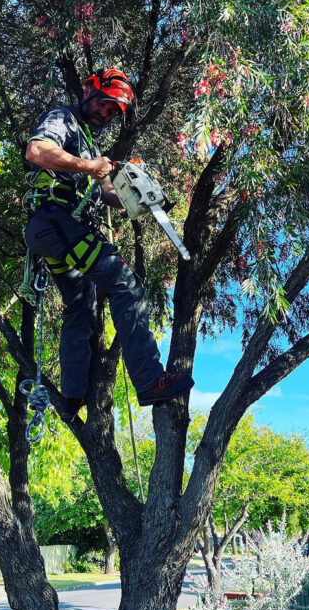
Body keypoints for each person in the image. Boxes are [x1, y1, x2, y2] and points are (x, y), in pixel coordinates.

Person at [24, 68, 194, 423]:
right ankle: (150, 380)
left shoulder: (88, 141)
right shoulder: (63, 119)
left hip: (56, 231)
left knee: (81, 306)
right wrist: (88, 166)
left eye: (113, 111)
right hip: (58, 221)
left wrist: (142, 199)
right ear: (88, 90)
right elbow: (37, 150)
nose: (106, 113)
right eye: (103, 103)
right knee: (127, 287)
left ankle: (72, 396)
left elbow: (104, 192)